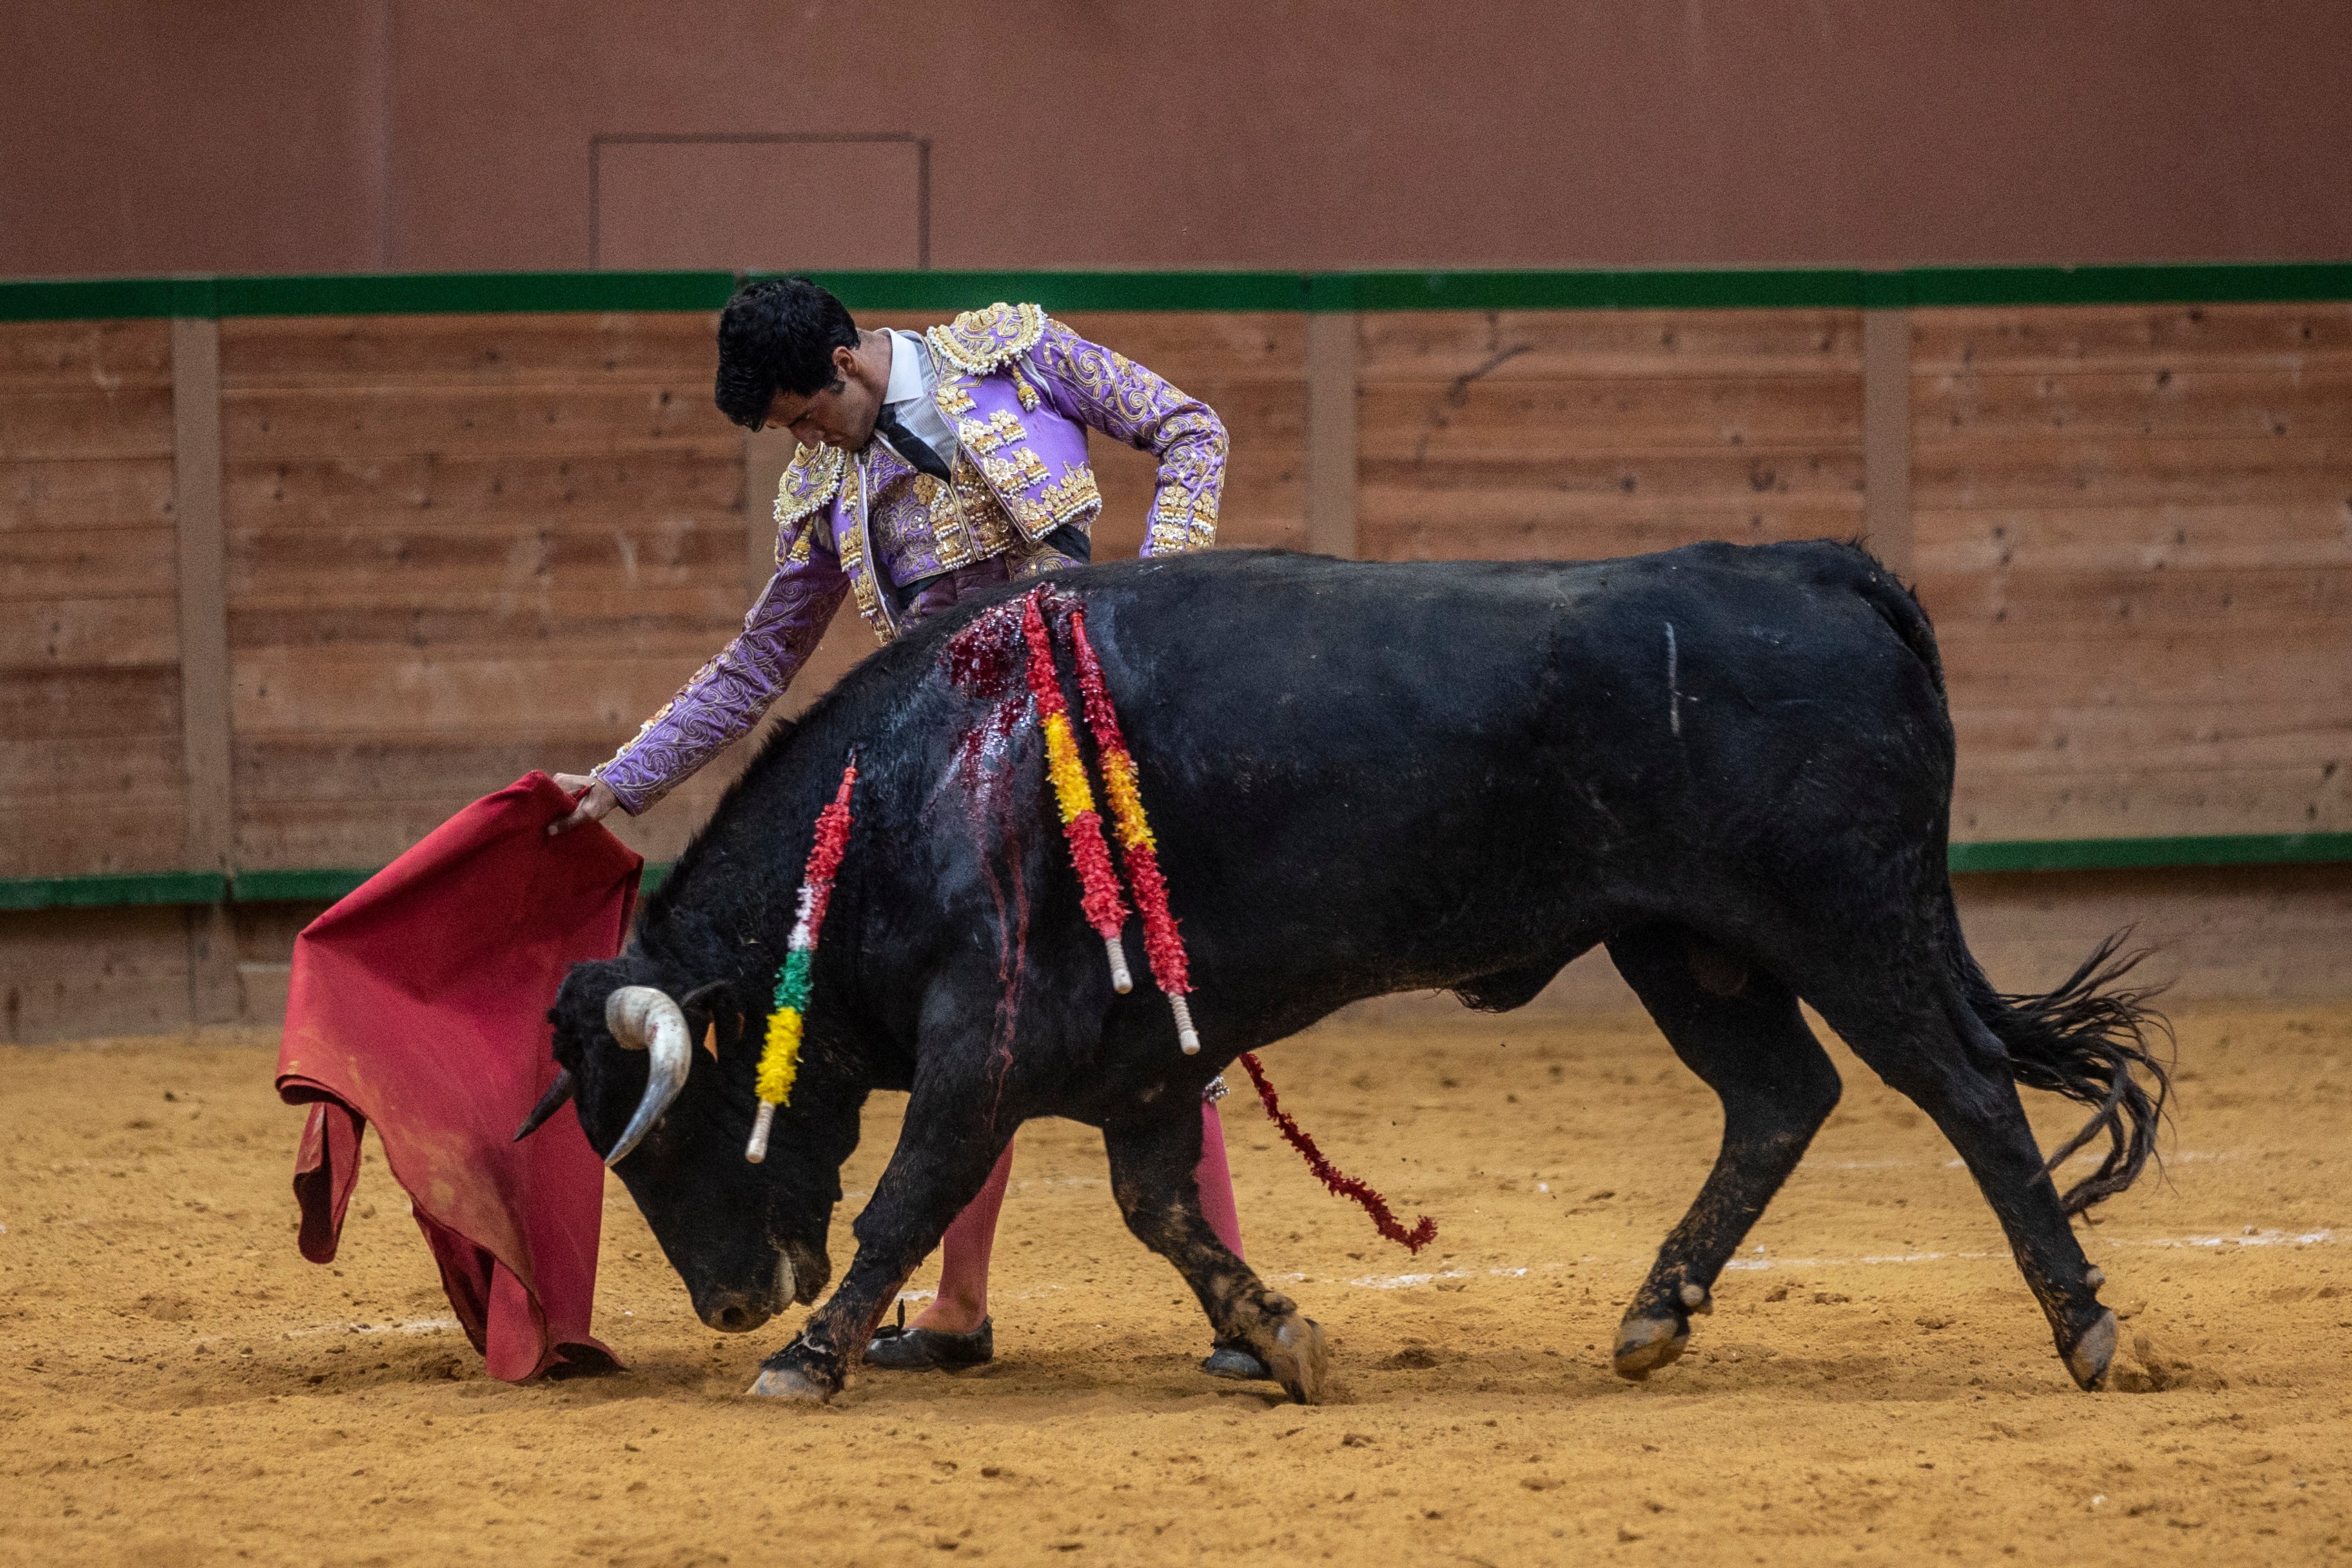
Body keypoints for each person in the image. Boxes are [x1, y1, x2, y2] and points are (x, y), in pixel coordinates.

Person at [549, 277, 1266, 1382]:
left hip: (1093, 723)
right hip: (956, 775)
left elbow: (1189, 428)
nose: (801, 440)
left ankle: (1233, 1304)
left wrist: (1157, 595)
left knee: (1160, 1001)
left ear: (842, 361)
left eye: (801, 413)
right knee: (965, 1035)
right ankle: (958, 1304)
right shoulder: (824, 484)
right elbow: (757, 665)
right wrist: (621, 779)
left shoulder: (1015, 354)